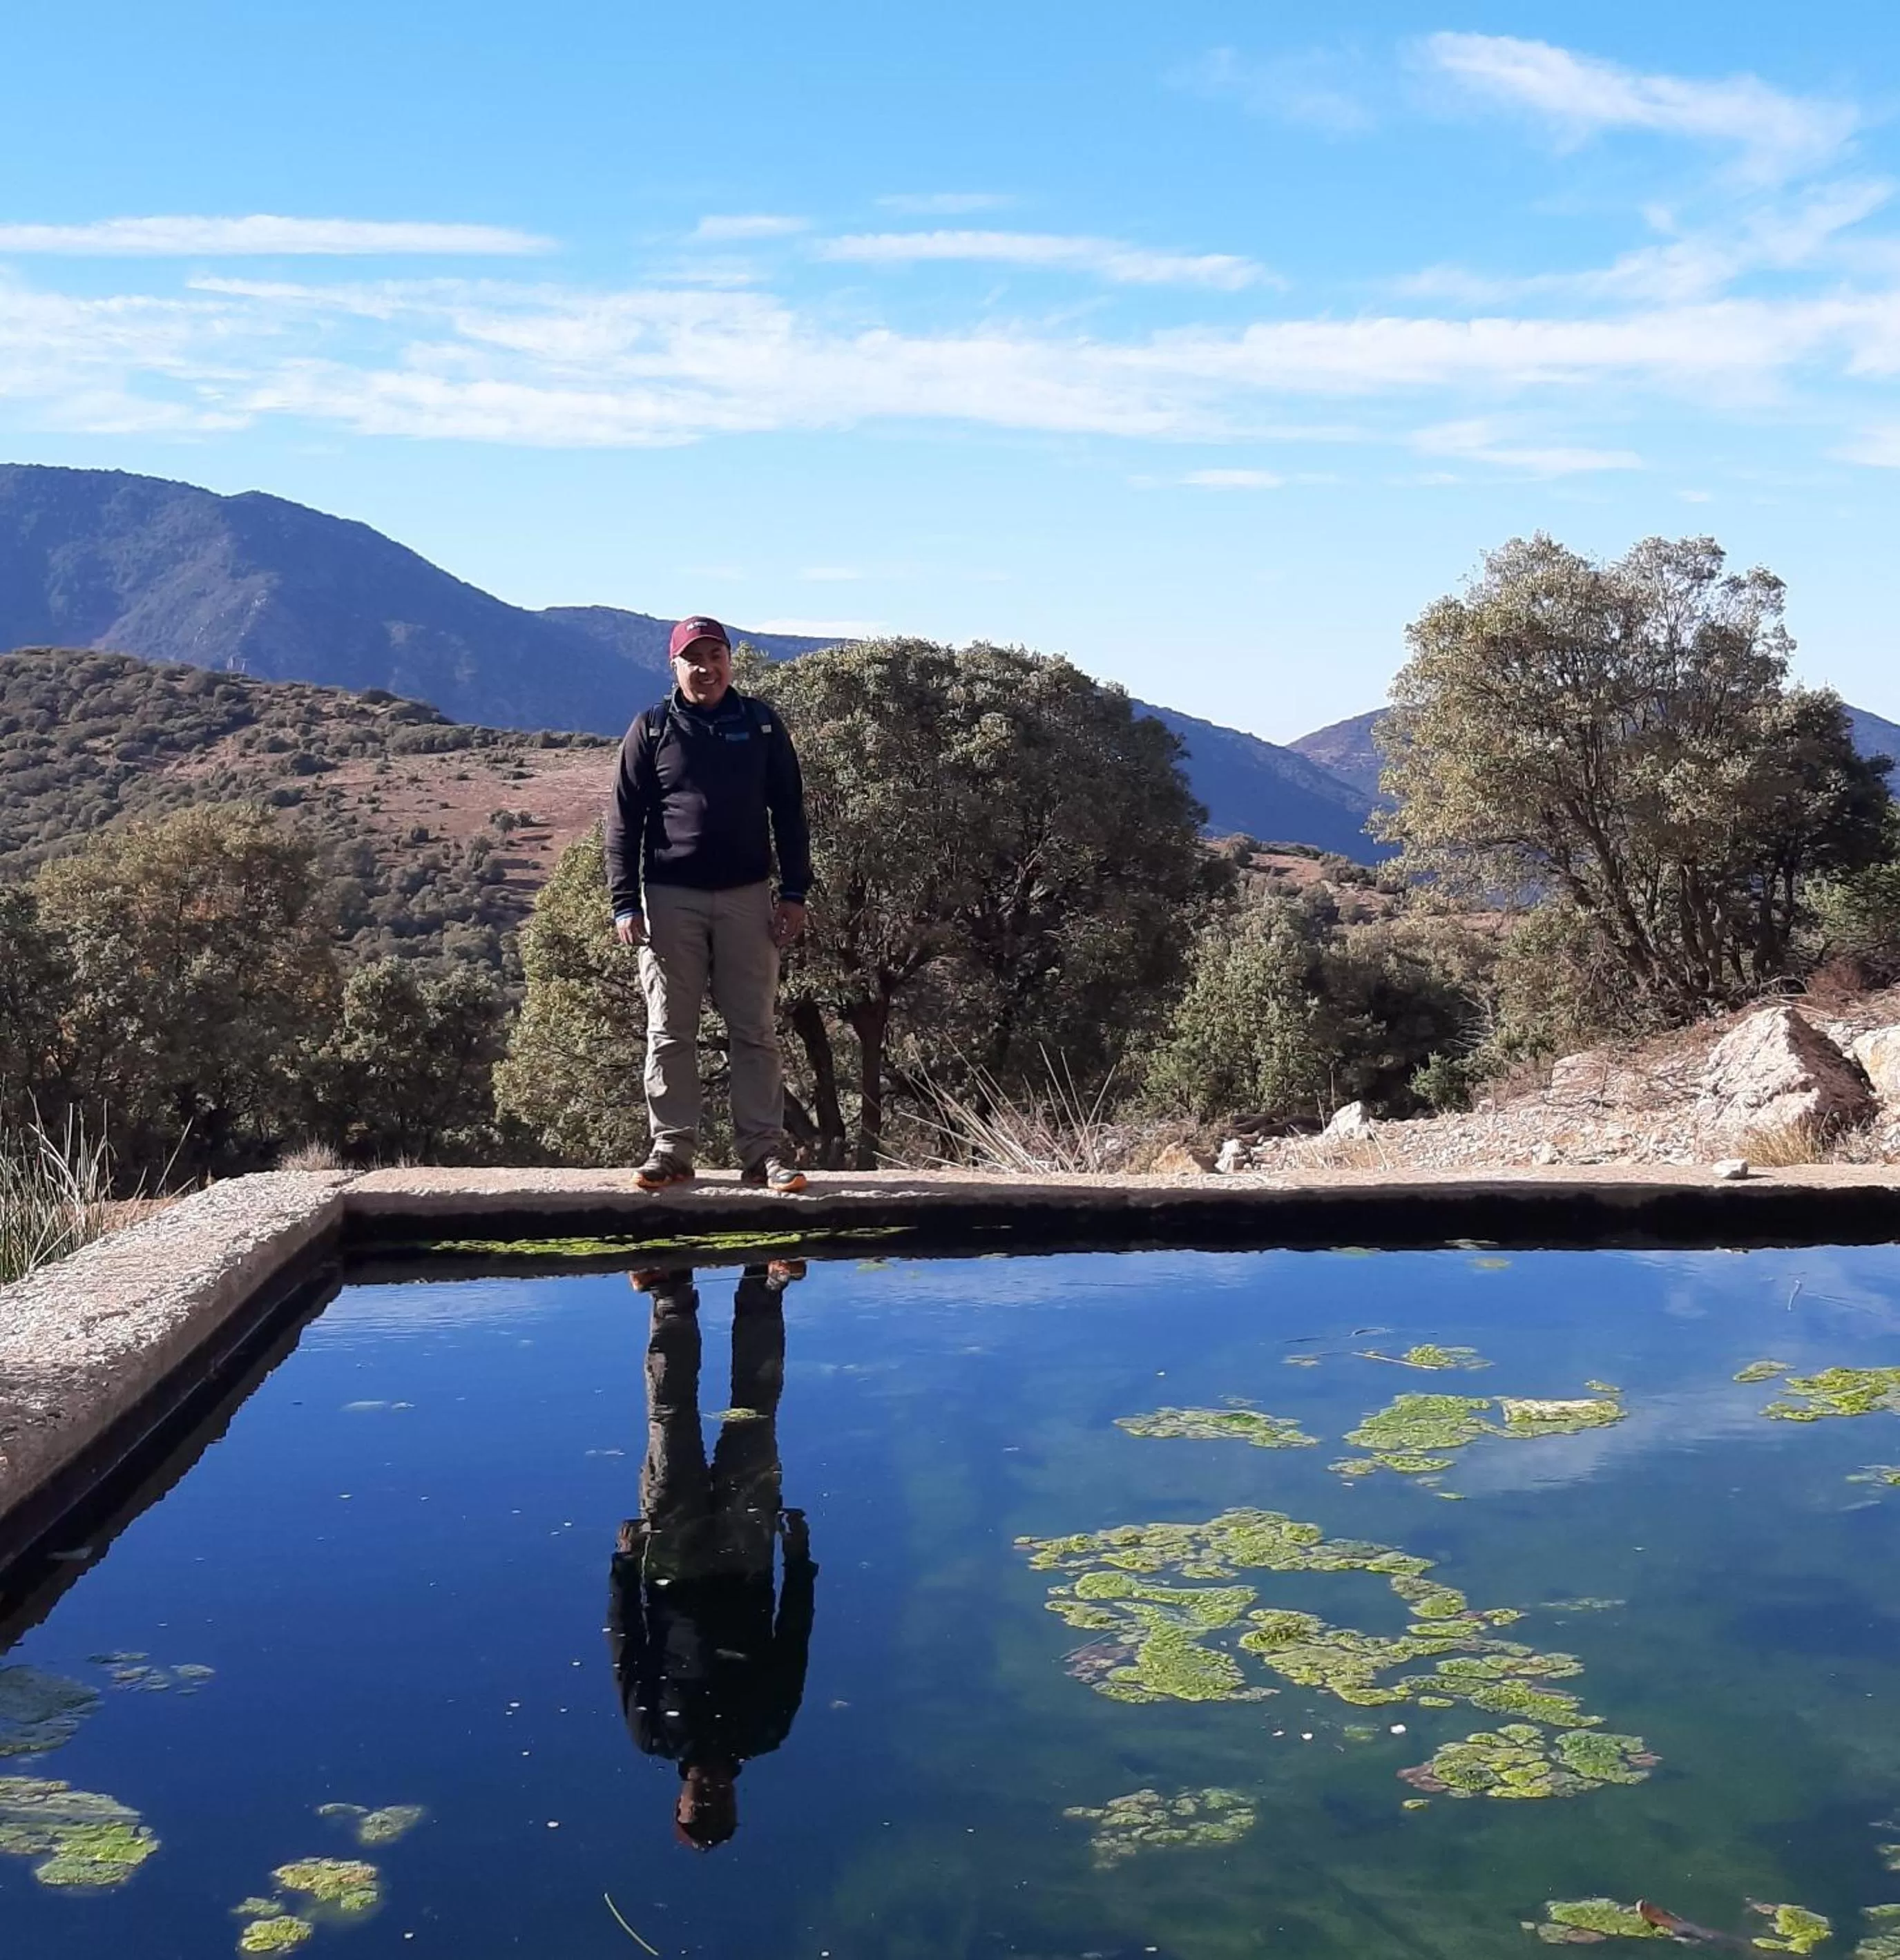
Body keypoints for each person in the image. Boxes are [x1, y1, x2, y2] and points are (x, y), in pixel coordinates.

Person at [607, 1262, 817, 1850]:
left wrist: (624, 1568)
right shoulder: (766, 1729)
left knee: (669, 1421)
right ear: (735, 1805)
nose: (707, 1801)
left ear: (678, 1803)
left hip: (669, 1560)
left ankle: (671, 1295)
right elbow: (793, 1640)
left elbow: (627, 1651)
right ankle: (764, 1288)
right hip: (747, 1554)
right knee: (755, 1410)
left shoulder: (653, 1735)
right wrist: (798, 1562)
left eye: (694, 1811)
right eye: (717, 1812)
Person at [604, 615, 812, 1193]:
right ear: (673, 667)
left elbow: (790, 812)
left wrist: (794, 892)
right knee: (670, 1031)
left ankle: (764, 1155)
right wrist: (625, 903)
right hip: (670, 900)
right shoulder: (650, 729)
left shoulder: (762, 724)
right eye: (693, 658)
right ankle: (671, 1150)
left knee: (755, 1030)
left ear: (730, 660)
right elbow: (622, 823)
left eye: (715, 654)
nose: (706, 667)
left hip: (748, 898)